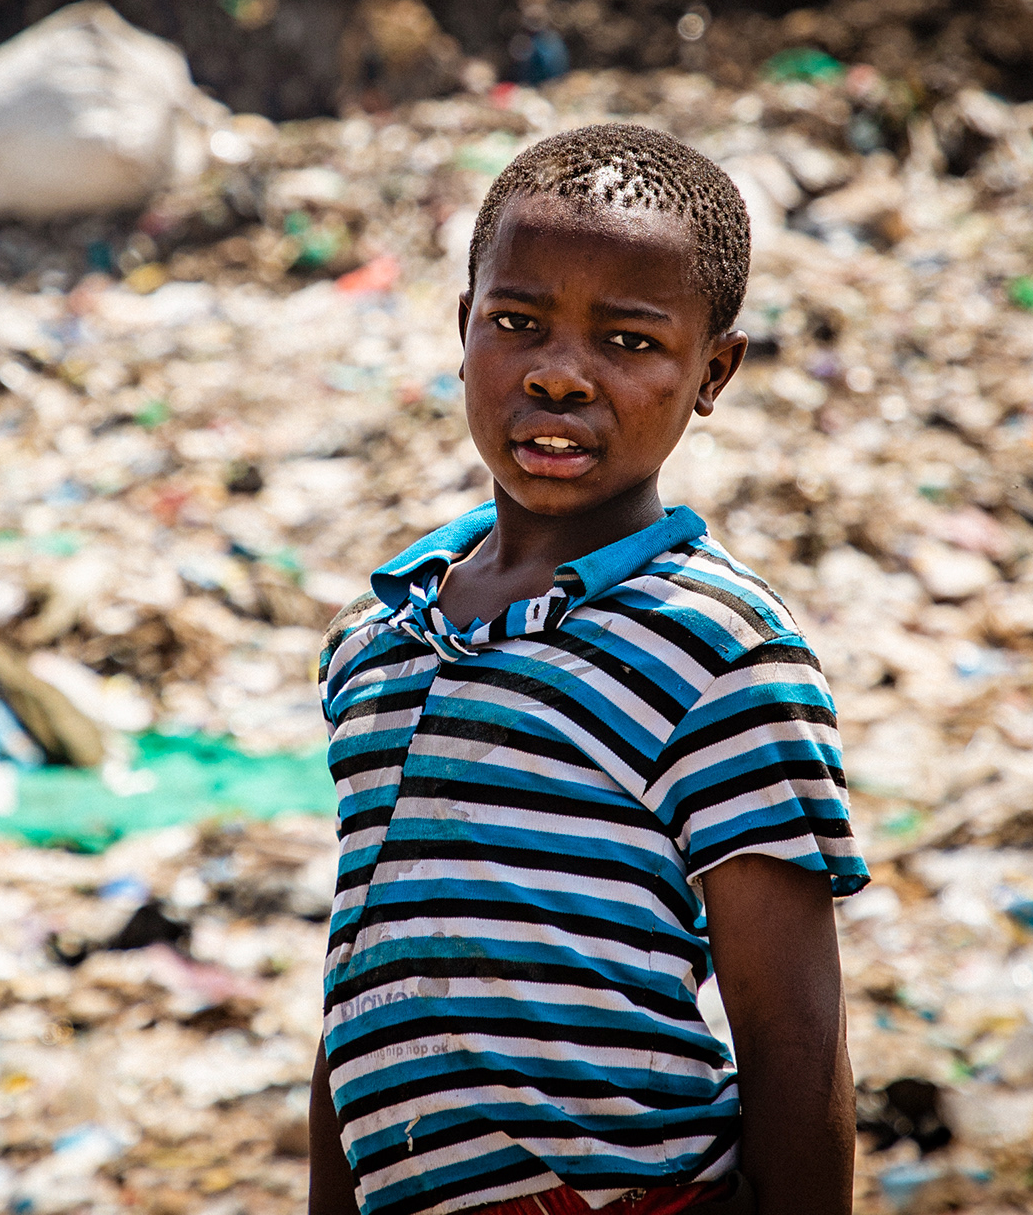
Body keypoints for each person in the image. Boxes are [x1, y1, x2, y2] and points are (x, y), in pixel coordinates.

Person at [308, 124, 869, 1215]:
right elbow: (363, 1000)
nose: (562, 374)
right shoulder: (374, 641)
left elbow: (798, 1055)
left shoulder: (721, 651)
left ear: (714, 371)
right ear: (461, 330)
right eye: (518, 324)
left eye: (630, 341)